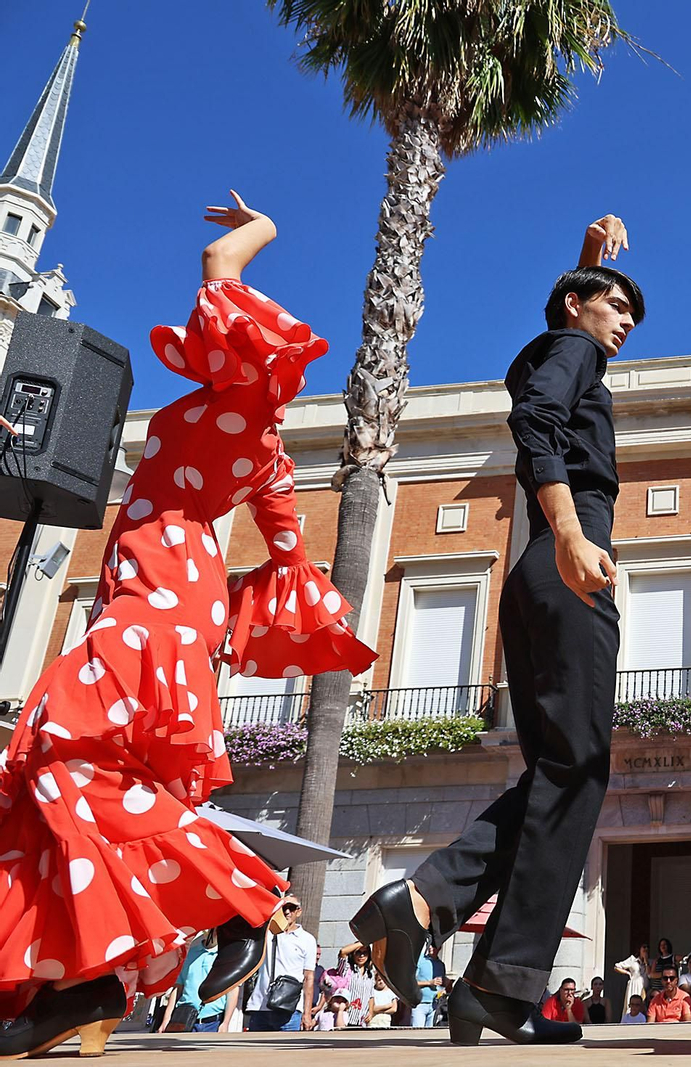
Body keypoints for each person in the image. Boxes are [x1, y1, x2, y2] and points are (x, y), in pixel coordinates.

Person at [0, 193, 377, 1059]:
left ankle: (238, 898)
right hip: (172, 598)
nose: (208, 332)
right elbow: (286, 549)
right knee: (69, 786)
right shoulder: (267, 449)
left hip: (157, 594)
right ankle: (77, 984)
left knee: (62, 760)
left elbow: (220, 274)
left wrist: (257, 231)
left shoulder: (236, 402)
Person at [351, 215, 642, 1047]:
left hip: (540, 568)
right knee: (579, 767)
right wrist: (570, 531)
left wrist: (587, 263)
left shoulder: (561, 347)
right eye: (614, 305)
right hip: (569, 552)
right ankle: (464, 940)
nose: (624, 321)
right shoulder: (574, 352)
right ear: (578, 308)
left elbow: (553, 350)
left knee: (559, 769)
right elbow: (538, 424)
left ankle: (466, 958)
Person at [244, 897, 318, 1031]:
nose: (287, 912)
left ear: (298, 911)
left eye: (292, 908)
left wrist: (307, 1014)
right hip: (261, 1005)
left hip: (289, 1007)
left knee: (286, 1050)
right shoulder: (267, 933)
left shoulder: (307, 939)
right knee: (255, 1050)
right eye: (284, 908)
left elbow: (309, 977)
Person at [161, 930, 230, 1033]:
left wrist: (226, 1023)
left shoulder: (227, 956)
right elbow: (178, 988)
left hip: (212, 1022)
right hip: (183, 1019)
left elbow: (232, 991)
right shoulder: (190, 954)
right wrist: (166, 1019)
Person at [415, 944, 446, 1027]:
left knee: (429, 1034)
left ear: (439, 948)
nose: (430, 948)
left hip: (435, 1005)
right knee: (416, 1033)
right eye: (429, 946)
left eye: (433, 946)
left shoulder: (441, 965)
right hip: (419, 1004)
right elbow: (412, 982)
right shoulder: (420, 960)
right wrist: (429, 983)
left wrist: (446, 985)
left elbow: (442, 984)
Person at [614, 942, 649, 1007]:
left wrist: (646, 961)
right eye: (644, 947)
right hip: (634, 986)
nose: (646, 949)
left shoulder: (650, 962)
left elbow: (649, 973)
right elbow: (616, 967)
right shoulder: (632, 959)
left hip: (645, 987)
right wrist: (627, 973)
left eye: (647, 947)